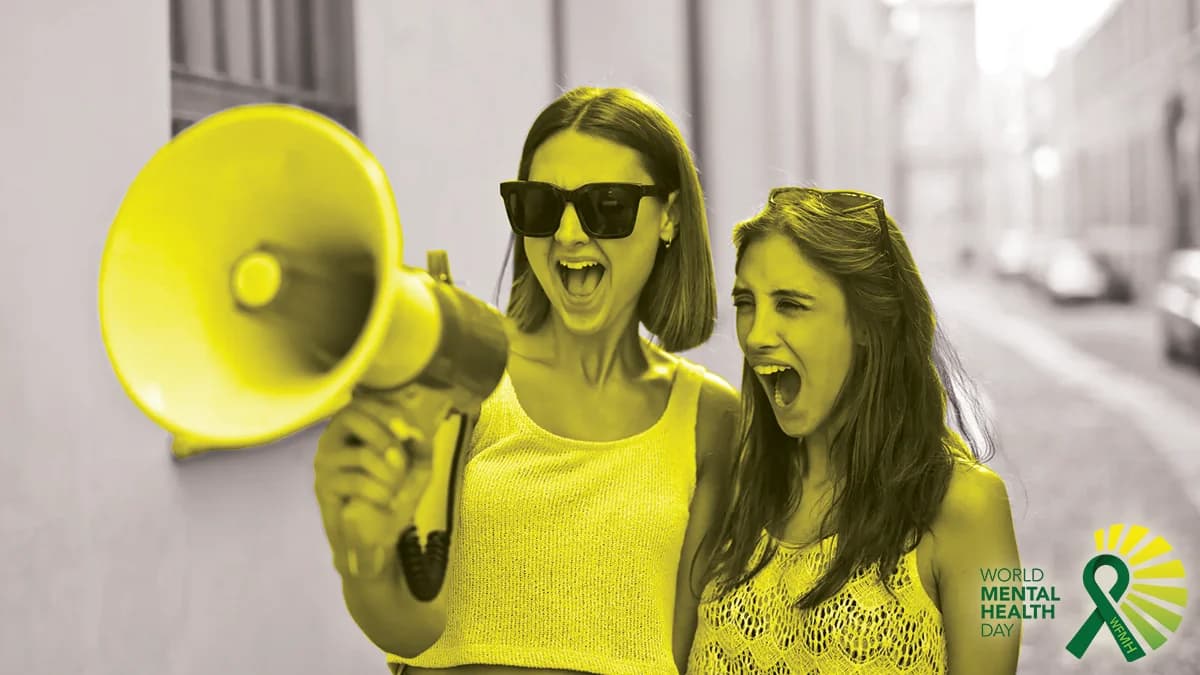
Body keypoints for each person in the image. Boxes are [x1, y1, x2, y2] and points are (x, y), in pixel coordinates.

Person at [312, 86, 740, 675]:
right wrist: (359, 553)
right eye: (540, 205)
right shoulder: (465, 367)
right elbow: (410, 630)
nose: (566, 235)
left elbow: (691, 651)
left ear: (670, 217)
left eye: (606, 205)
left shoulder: (712, 418)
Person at [682, 187, 1022, 674]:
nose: (755, 335)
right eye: (745, 302)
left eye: (791, 305)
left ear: (868, 324)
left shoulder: (973, 507)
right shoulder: (732, 486)